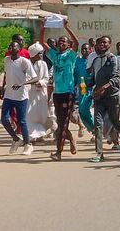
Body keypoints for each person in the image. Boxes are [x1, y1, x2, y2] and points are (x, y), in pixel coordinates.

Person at [40, 19, 79, 161]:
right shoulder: (54, 55)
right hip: (57, 93)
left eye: (64, 42)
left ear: (68, 45)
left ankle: (58, 152)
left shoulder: (70, 55)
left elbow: (77, 43)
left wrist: (67, 28)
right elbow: (41, 42)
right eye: (60, 41)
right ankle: (71, 140)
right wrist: (42, 27)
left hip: (68, 93)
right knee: (61, 123)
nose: (61, 43)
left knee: (62, 124)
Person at [89, 36, 120, 162]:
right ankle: (99, 153)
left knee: (115, 121)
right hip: (99, 98)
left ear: (109, 45)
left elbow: (117, 77)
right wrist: (88, 86)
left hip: (112, 96)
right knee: (98, 124)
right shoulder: (95, 61)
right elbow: (93, 79)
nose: (102, 44)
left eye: (105, 43)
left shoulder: (113, 59)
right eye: (100, 42)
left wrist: (104, 87)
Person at [0, 41, 38, 155]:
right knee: (4, 119)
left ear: (19, 49)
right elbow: (6, 74)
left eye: (13, 46)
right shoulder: (6, 60)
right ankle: (16, 139)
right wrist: (2, 88)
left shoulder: (24, 62)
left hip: (21, 96)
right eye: (9, 46)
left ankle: (28, 144)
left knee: (21, 121)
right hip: (8, 95)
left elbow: (35, 78)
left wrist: (22, 83)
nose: (10, 48)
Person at [26, 42, 50, 141]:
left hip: (40, 93)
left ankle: (40, 134)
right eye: (39, 53)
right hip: (29, 92)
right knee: (29, 114)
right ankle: (32, 135)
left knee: (41, 114)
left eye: (41, 53)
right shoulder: (26, 63)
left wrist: (40, 82)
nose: (41, 55)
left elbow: (46, 78)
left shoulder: (43, 64)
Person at [74, 43, 94, 135]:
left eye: (86, 49)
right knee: (82, 111)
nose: (84, 51)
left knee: (85, 108)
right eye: (83, 49)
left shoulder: (94, 60)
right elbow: (75, 75)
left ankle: (96, 128)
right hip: (82, 89)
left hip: (91, 89)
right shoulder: (77, 61)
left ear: (90, 50)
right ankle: (93, 128)